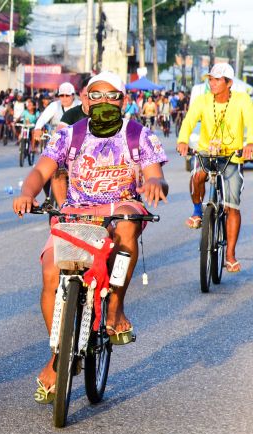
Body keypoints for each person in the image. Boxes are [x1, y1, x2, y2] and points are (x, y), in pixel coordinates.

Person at [13, 71, 168, 403]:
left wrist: (156, 184)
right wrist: (27, 192)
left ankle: (114, 308)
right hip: (77, 212)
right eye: (95, 96)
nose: (103, 103)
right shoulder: (68, 134)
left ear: (123, 101)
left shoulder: (139, 135)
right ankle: (58, 354)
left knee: (128, 222)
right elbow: (42, 170)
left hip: (119, 208)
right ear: (84, 101)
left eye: (111, 96)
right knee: (51, 276)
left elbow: (156, 174)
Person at [177, 63, 253, 272]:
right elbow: (189, 121)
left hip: (231, 156)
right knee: (197, 176)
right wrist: (183, 140)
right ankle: (197, 211)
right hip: (207, 152)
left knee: (232, 206)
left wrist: (249, 144)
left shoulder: (242, 99)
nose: (212, 83)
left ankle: (230, 255)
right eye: (210, 79)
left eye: (217, 79)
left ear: (229, 83)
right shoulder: (202, 100)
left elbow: (251, 122)